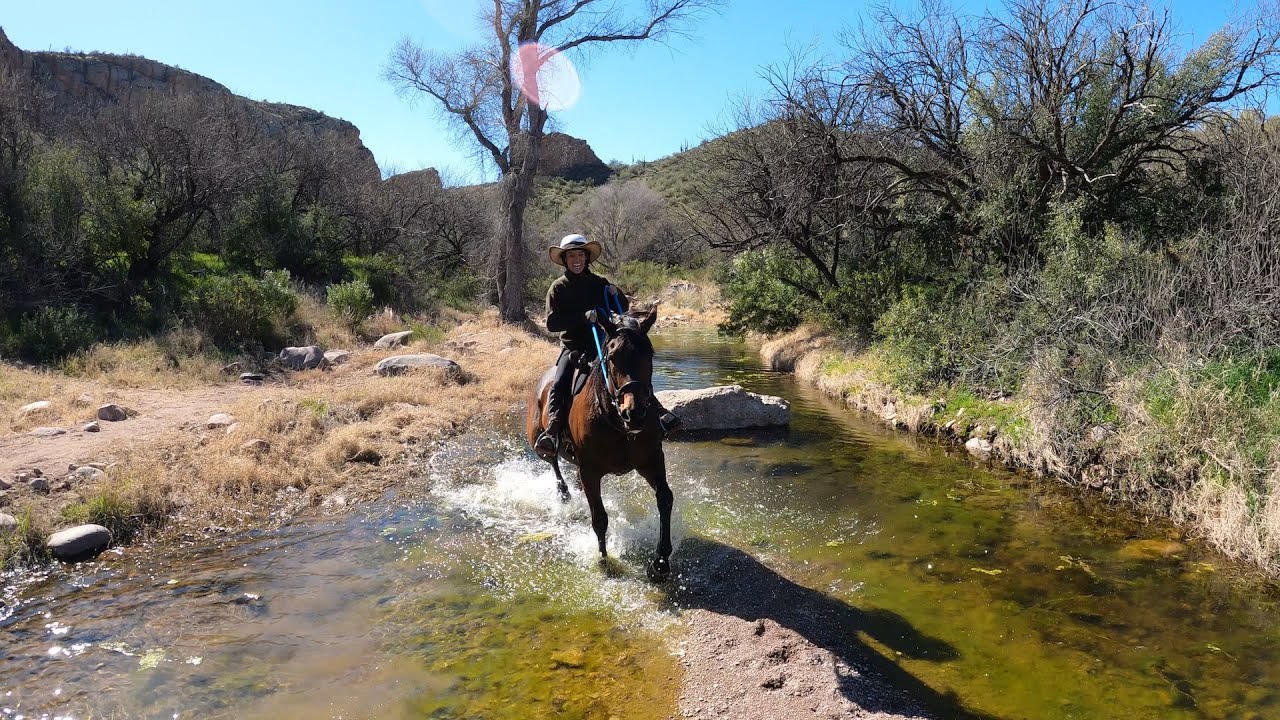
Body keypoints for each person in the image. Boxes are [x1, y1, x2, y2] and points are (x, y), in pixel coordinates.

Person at [534, 233, 679, 458]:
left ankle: (658, 414)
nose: (576, 260)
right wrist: (583, 317)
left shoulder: (599, 282)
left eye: (580, 255)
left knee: (631, 373)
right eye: (571, 256)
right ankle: (553, 430)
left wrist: (616, 292)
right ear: (564, 259)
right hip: (574, 348)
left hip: (603, 344)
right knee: (560, 381)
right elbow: (552, 323)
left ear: (586, 258)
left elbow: (621, 307)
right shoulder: (558, 287)